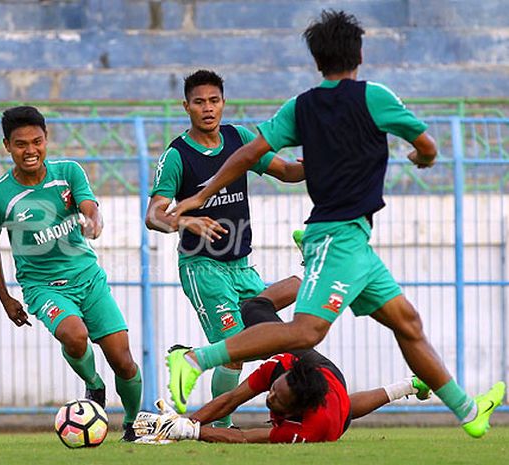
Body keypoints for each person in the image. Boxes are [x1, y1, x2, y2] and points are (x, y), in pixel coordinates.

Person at [165, 10, 505, 438]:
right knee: (305, 332)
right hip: (337, 235)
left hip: (357, 241)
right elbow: (427, 145)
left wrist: (201, 193)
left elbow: (251, 153)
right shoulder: (374, 97)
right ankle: (195, 359)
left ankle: (469, 409)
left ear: (316, 59)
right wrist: (423, 159)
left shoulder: (301, 106)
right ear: (358, 54)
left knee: (408, 323)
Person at [145, 69, 304, 427]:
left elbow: (284, 171)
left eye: (214, 101)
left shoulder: (239, 139)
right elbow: (153, 215)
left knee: (274, 326)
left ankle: (195, 366)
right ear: (186, 106)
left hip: (242, 266)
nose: (207, 108)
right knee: (235, 349)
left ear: (223, 103)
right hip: (203, 267)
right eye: (199, 102)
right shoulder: (177, 155)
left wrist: (311, 169)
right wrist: (185, 221)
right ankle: (220, 427)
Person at [0, 106, 142, 441]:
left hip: (88, 278)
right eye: (21, 144)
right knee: (74, 334)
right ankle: (94, 387)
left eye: (37, 141)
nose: (30, 150)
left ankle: (132, 425)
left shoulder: (68, 171)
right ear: (7, 146)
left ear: (46, 139)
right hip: (43, 286)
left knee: (123, 361)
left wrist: (93, 222)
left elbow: (88, 206)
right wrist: (5, 295)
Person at [134, 292, 431, 444]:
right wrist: (183, 422)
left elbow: (245, 437)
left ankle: (409, 385)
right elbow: (231, 399)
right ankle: (306, 277)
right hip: (321, 369)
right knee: (253, 308)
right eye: (274, 391)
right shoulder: (282, 367)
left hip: (332, 415)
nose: (270, 398)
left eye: (278, 400)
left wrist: (192, 433)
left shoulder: (314, 428)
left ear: (298, 409)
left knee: (345, 413)